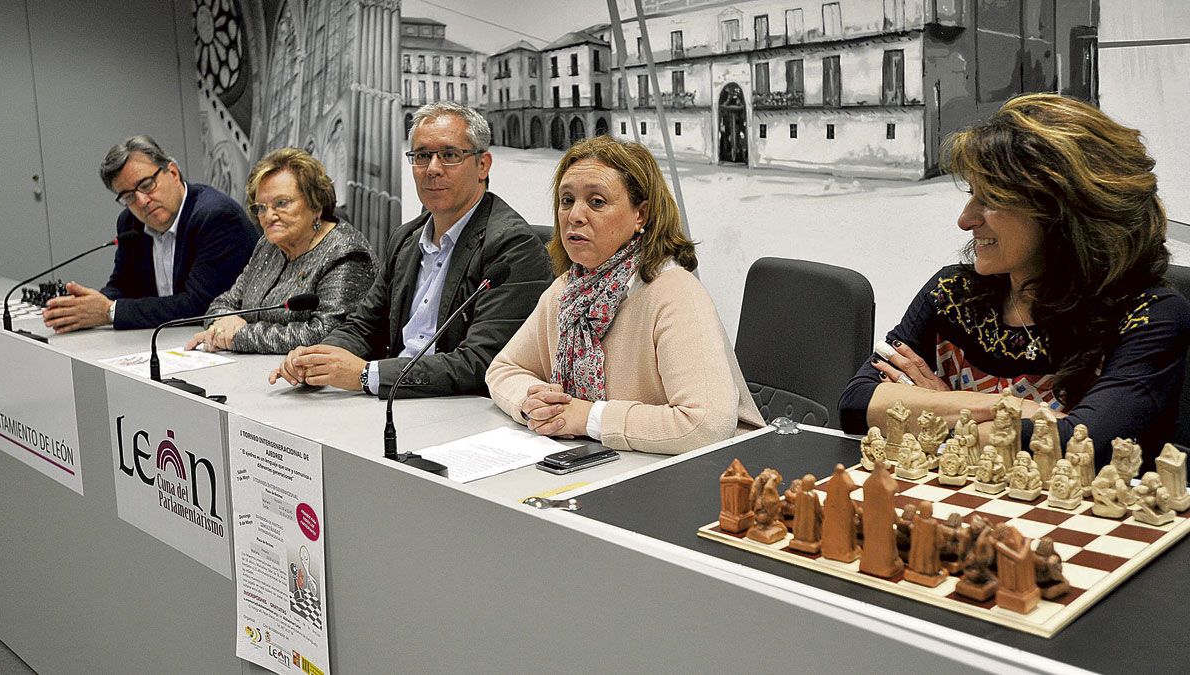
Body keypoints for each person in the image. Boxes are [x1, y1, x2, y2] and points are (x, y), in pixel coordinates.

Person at [839, 93, 1190, 472]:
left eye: (990, 199)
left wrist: (934, 409)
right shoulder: (952, 294)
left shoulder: (1149, 314)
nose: (965, 219)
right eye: (973, 194)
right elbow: (858, 405)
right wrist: (1009, 409)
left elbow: (1077, 446)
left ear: (1063, 211)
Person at [485, 135, 762, 454]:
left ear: (640, 214)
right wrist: (532, 401)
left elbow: (705, 424)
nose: (575, 215)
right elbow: (503, 369)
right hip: (609, 464)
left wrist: (588, 417)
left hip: (708, 477)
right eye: (566, 200)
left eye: (596, 201)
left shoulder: (674, 292)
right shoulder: (568, 290)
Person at [269, 102, 551, 397]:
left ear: (483, 165)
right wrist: (319, 358)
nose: (432, 169)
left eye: (449, 155)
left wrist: (367, 376)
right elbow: (364, 325)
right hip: (392, 400)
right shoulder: (407, 238)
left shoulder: (511, 246)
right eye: (421, 156)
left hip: (457, 409)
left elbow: (480, 363)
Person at [42, 135, 256, 331]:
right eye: (128, 197)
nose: (142, 201)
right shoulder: (130, 223)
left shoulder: (216, 217)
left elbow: (200, 306)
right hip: (164, 340)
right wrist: (85, 305)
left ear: (172, 173)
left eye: (146, 185)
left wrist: (109, 312)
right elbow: (123, 285)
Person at [184, 148, 376, 354]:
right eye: (261, 207)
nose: (269, 216)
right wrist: (223, 323)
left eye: (281, 203)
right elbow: (224, 302)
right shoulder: (268, 247)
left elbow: (327, 333)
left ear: (315, 204)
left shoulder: (346, 252)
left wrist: (240, 336)